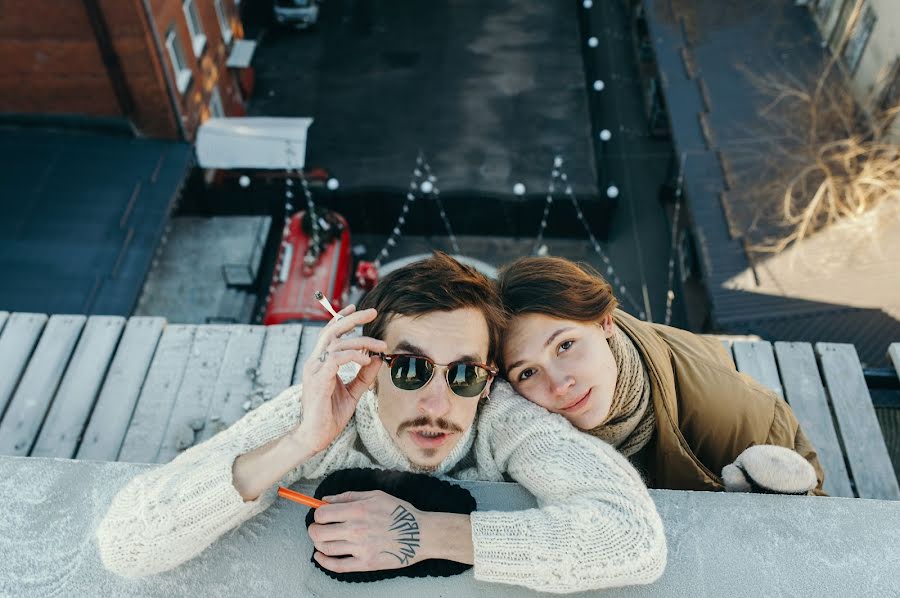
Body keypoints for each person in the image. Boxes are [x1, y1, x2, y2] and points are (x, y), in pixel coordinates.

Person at [96, 252, 666, 593]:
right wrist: (301, 440)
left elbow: (633, 539)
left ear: (489, 378)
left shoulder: (502, 417)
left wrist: (421, 535)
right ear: (369, 359)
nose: (440, 404)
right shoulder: (322, 410)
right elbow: (126, 545)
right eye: (412, 368)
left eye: (464, 374)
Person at [497, 256, 825, 496]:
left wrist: (765, 502)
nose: (558, 385)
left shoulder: (724, 412)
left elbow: (818, 518)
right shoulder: (508, 420)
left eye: (565, 345)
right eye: (527, 372)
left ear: (605, 322)